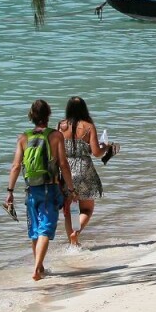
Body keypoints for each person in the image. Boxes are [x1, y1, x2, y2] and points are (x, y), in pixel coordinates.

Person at [5, 99, 76, 281]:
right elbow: (63, 164)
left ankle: (41, 266)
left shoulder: (23, 137)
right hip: (49, 189)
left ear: (31, 116)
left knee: (35, 229)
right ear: (48, 115)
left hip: (30, 190)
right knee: (45, 228)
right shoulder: (55, 136)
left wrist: (10, 191)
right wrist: (71, 188)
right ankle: (37, 269)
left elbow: (15, 166)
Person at [58, 96, 116, 246]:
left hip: (66, 170)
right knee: (87, 209)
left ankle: (72, 243)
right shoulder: (89, 126)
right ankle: (75, 234)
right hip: (84, 169)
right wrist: (106, 146)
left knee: (69, 209)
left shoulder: (61, 126)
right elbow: (97, 153)